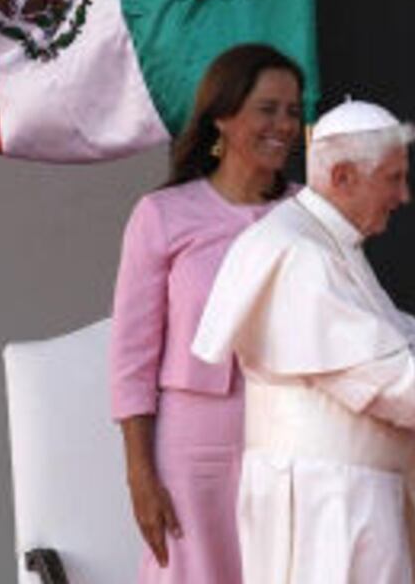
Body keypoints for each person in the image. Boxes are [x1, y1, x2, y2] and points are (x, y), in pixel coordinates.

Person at [192, 99, 415, 584]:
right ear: (343, 177)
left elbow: (409, 349)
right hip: (325, 506)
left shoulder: (327, 243)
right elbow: (391, 380)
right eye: (394, 178)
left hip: (344, 497)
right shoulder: (299, 253)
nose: (404, 196)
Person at [108, 43, 305, 583]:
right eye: (267, 109)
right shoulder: (163, 215)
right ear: (223, 115)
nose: (284, 125)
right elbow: (131, 360)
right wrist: (139, 474)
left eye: (293, 111)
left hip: (291, 434)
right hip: (196, 445)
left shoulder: (309, 213)